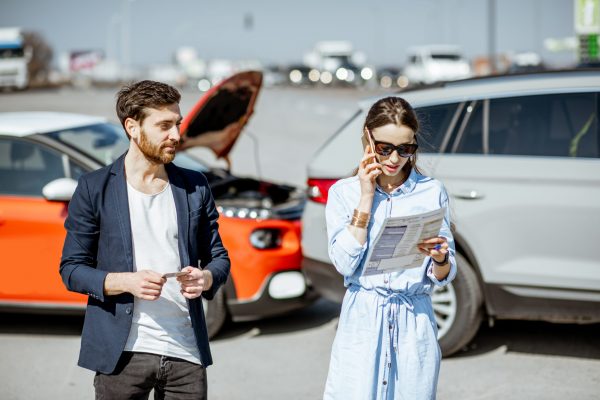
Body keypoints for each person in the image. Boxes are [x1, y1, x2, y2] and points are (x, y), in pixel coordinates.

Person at [59, 80, 230, 399]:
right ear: (132, 127)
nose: (176, 135)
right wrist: (126, 282)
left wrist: (205, 278)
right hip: (121, 356)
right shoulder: (95, 188)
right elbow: (71, 270)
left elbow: (219, 258)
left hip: (186, 353)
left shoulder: (195, 186)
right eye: (164, 125)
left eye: (177, 124)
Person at [323, 96, 456, 400]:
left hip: (414, 319)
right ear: (367, 139)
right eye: (385, 148)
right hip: (364, 319)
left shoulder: (431, 191)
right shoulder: (344, 193)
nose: (395, 159)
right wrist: (366, 197)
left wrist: (440, 258)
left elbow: (446, 273)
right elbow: (344, 263)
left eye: (405, 149)